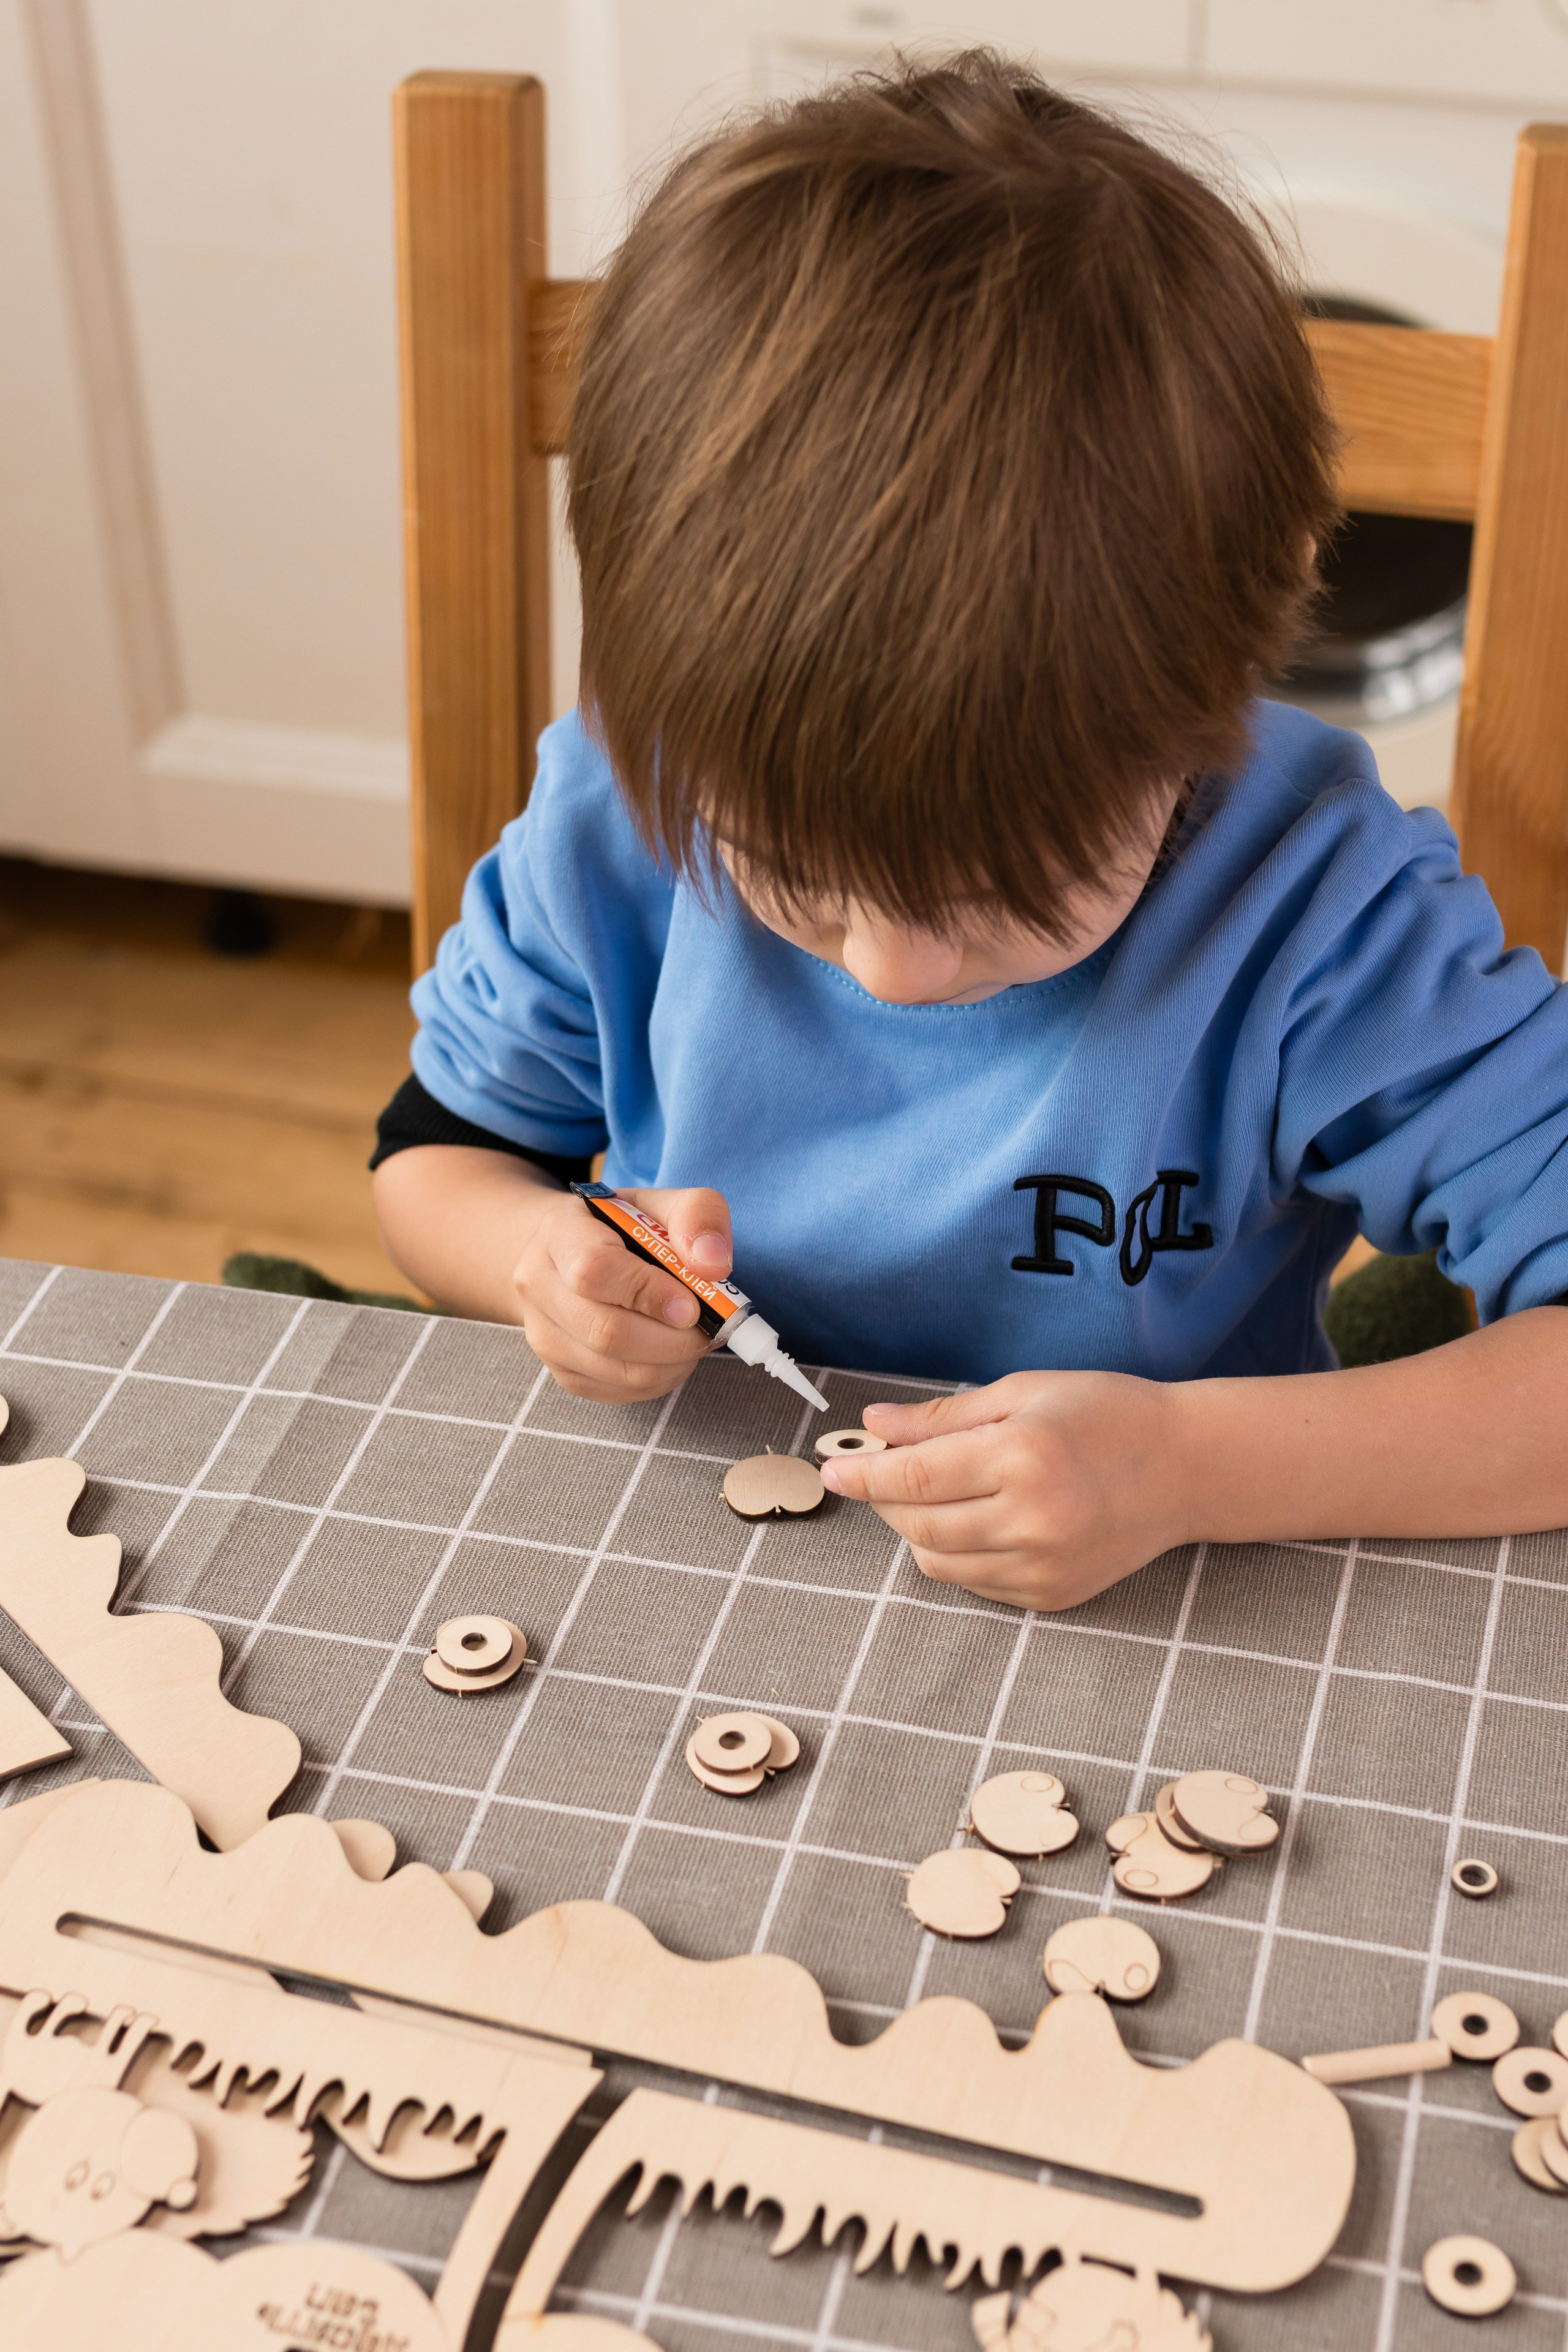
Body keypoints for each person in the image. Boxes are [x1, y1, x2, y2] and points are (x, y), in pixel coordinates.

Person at [371, 51, 1568, 1612]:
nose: (896, 973)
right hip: (699, 1554)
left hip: (1178, 1587)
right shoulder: (624, 801)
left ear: (1226, 669)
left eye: (1013, 884)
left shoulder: (1321, 912)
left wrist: (1188, 1468)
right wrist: (540, 1261)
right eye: (787, 870)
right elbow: (434, 1160)